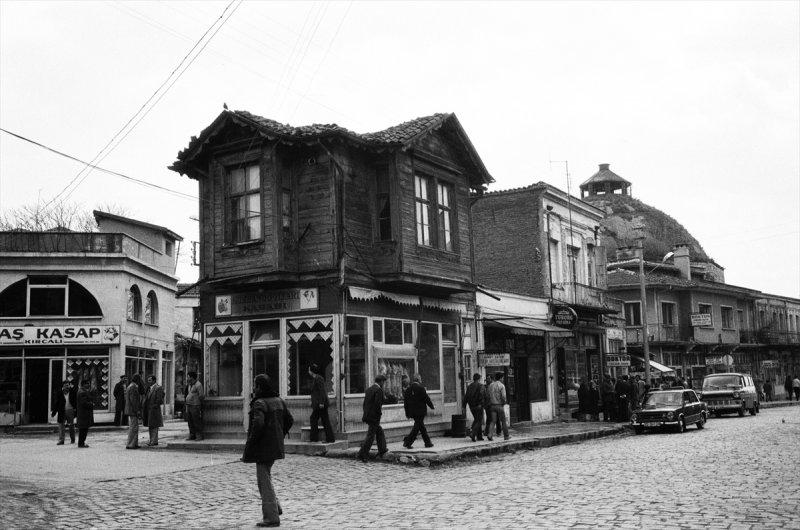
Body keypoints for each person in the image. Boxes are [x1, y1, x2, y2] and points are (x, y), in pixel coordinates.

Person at [242, 374, 293, 528]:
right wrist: (279, 434)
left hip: (263, 447)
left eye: (256, 386)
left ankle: (271, 517)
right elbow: (289, 420)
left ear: (260, 387)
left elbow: (258, 425)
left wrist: (251, 443)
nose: (254, 389)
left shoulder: (260, 403)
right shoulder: (279, 401)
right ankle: (275, 507)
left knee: (263, 480)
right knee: (266, 477)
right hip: (275, 445)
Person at [357, 374, 388, 462]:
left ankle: (382, 449)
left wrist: (366, 414)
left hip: (368, 415)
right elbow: (377, 405)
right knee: (370, 436)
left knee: (379, 431)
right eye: (383, 382)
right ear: (381, 382)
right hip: (374, 416)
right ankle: (363, 454)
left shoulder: (369, 389)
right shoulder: (379, 390)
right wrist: (378, 415)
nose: (384, 384)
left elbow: (365, 404)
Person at [402, 374, 435, 449]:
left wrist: (407, 413)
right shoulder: (421, 388)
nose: (421, 380)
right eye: (420, 379)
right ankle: (408, 442)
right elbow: (426, 398)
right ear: (418, 380)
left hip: (412, 412)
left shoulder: (408, 390)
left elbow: (405, 403)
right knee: (418, 426)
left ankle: (427, 442)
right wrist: (432, 406)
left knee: (420, 426)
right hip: (420, 411)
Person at [308, 364, 335, 443]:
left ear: (312, 371)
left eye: (309, 370)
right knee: (323, 420)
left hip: (321, 405)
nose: (308, 371)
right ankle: (329, 438)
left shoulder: (319, 379)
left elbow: (322, 391)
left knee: (315, 419)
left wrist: (321, 403)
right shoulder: (316, 378)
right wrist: (312, 402)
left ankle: (314, 438)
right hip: (318, 404)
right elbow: (315, 392)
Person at [51, 380, 77, 445]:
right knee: (61, 426)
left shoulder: (73, 392)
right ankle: (61, 440)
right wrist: (54, 412)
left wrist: (76, 410)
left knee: (71, 425)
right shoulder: (59, 393)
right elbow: (57, 403)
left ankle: (72, 439)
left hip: (70, 410)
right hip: (61, 411)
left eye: (68, 385)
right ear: (63, 386)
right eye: (65, 385)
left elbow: (76, 402)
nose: (67, 387)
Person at [486, 372, 510, 441]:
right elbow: (503, 397)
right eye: (502, 378)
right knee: (503, 421)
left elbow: (487, 395)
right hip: (499, 406)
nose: (503, 379)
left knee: (493, 421)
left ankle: (490, 435)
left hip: (492, 406)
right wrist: (504, 402)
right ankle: (506, 436)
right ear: (500, 378)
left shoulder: (490, 385)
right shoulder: (501, 386)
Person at [464, 373, 485, 442]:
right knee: (479, 420)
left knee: (477, 419)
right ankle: (473, 433)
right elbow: (482, 395)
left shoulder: (469, 386)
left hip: (471, 406)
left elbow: (466, 396)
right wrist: (481, 404)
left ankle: (479, 436)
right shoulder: (480, 386)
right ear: (479, 379)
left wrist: (464, 406)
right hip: (478, 405)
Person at [144, 375, 164, 446]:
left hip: (154, 410)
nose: (148, 382)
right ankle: (152, 440)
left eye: (150, 380)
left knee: (154, 426)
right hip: (149, 410)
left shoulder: (158, 388)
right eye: (148, 380)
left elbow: (160, 399)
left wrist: (154, 406)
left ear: (154, 380)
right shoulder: (149, 388)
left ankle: (153, 441)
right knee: (150, 425)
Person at [185, 371, 204, 441]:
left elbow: (201, 395)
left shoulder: (198, 385)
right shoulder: (190, 385)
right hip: (189, 405)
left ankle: (199, 435)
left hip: (195, 405)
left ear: (192, 377)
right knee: (190, 421)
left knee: (196, 421)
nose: (187, 378)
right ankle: (192, 435)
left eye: (188, 377)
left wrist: (199, 404)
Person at [125, 374, 142, 449]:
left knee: (133, 427)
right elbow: (134, 400)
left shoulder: (130, 386)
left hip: (131, 410)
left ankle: (133, 443)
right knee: (134, 427)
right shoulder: (133, 387)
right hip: (133, 410)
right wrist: (137, 410)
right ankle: (131, 444)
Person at [75, 379, 94, 448]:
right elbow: (84, 403)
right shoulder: (82, 392)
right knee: (83, 430)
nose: (89, 385)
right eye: (87, 383)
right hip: (84, 414)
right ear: (84, 384)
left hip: (83, 414)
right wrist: (91, 404)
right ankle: (81, 443)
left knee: (83, 429)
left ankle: (81, 443)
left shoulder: (82, 391)